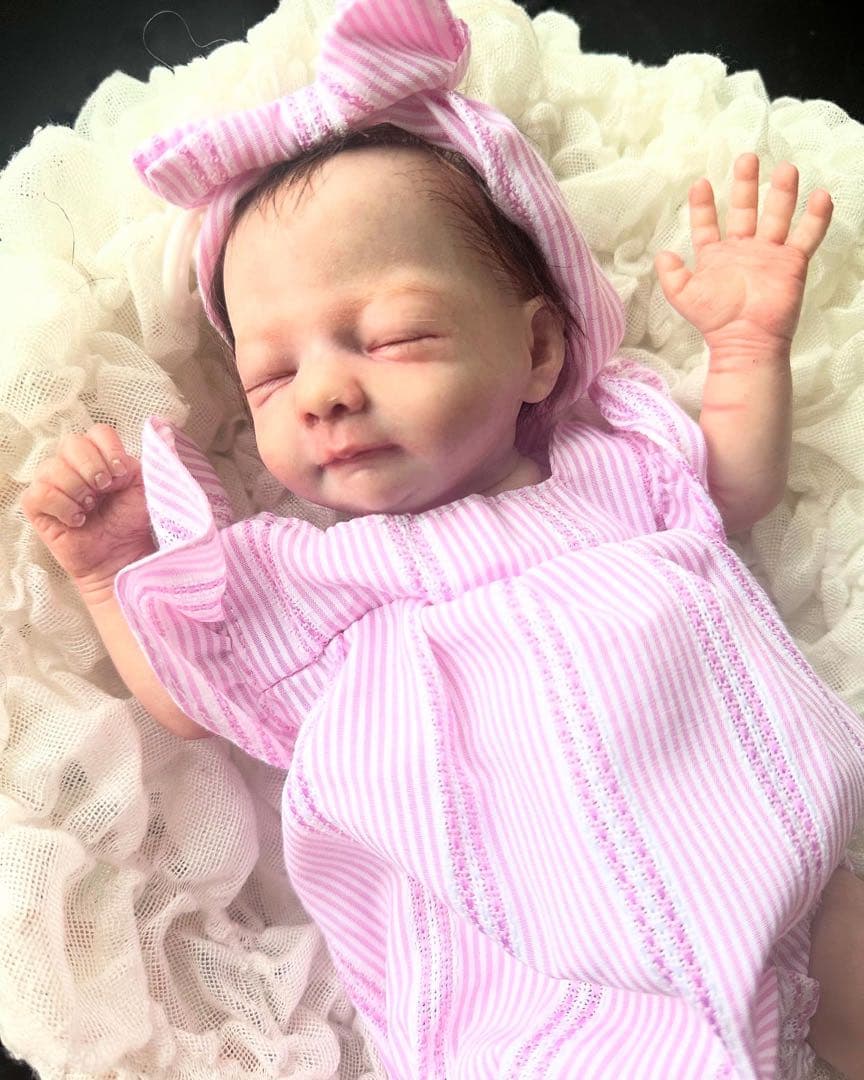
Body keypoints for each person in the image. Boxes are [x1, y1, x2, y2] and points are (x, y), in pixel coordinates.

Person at [19, 0, 864, 1076]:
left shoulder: (610, 463)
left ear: (540, 351)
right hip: (527, 988)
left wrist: (746, 348)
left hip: (775, 873)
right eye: (271, 376)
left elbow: (731, 491)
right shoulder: (305, 580)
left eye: (394, 336)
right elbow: (192, 700)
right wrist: (109, 574)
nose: (324, 390)